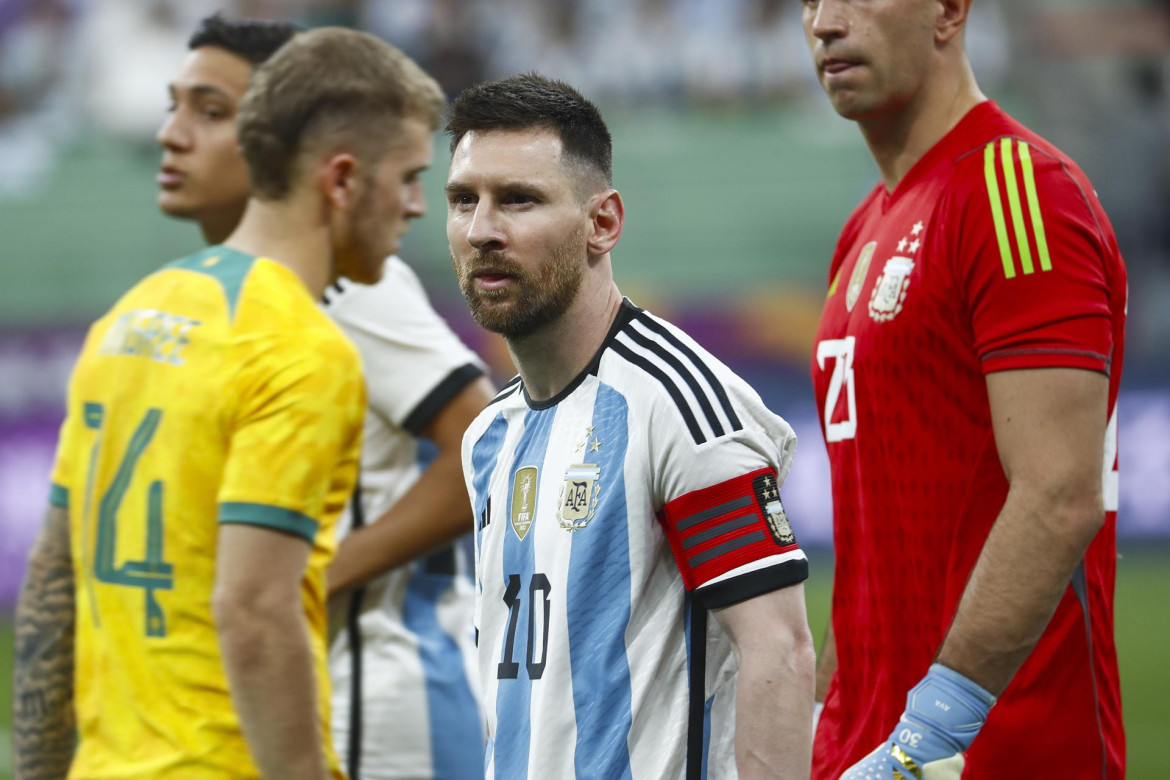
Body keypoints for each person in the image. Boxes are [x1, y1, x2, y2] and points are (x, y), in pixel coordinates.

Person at [13, 27, 445, 780]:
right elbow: (252, 610)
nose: (415, 206)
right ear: (342, 181)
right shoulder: (303, 349)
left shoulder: (129, 316)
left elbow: (53, 581)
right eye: (408, 176)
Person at [446, 73, 816, 780]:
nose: (482, 230)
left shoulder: (678, 403)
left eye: (519, 200)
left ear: (603, 223)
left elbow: (779, 654)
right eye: (464, 200)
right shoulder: (489, 435)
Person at [153, 15, 495, 779]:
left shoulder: (349, 283)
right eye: (173, 106)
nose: (173, 134)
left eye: (212, 112)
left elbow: (483, 436)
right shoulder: (230, 292)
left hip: (383, 688)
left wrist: (313, 575)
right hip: (314, 683)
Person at [802, 0, 1127, 777]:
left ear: (949, 11)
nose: (824, 22)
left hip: (991, 750)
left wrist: (930, 738)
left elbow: (1058, 495)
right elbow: (868, 536)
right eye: (809, 0)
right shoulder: (861, 232)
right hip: (869, 745)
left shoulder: (1017, 192)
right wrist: (825, 720)